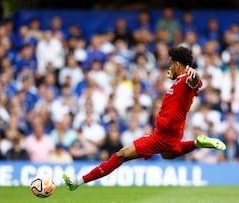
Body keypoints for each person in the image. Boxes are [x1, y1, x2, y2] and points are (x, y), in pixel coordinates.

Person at [63, 46, 226, 190]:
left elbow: (195, 82)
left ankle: (78, 181)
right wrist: (178, 77)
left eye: (171, 63)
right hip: (169, 133)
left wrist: (194, 75)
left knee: (121, 155)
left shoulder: (186, 81)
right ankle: (197, 142)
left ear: (177, 64)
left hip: (164, 135)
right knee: (167, 154)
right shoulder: (179, 81)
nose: (169, 67)